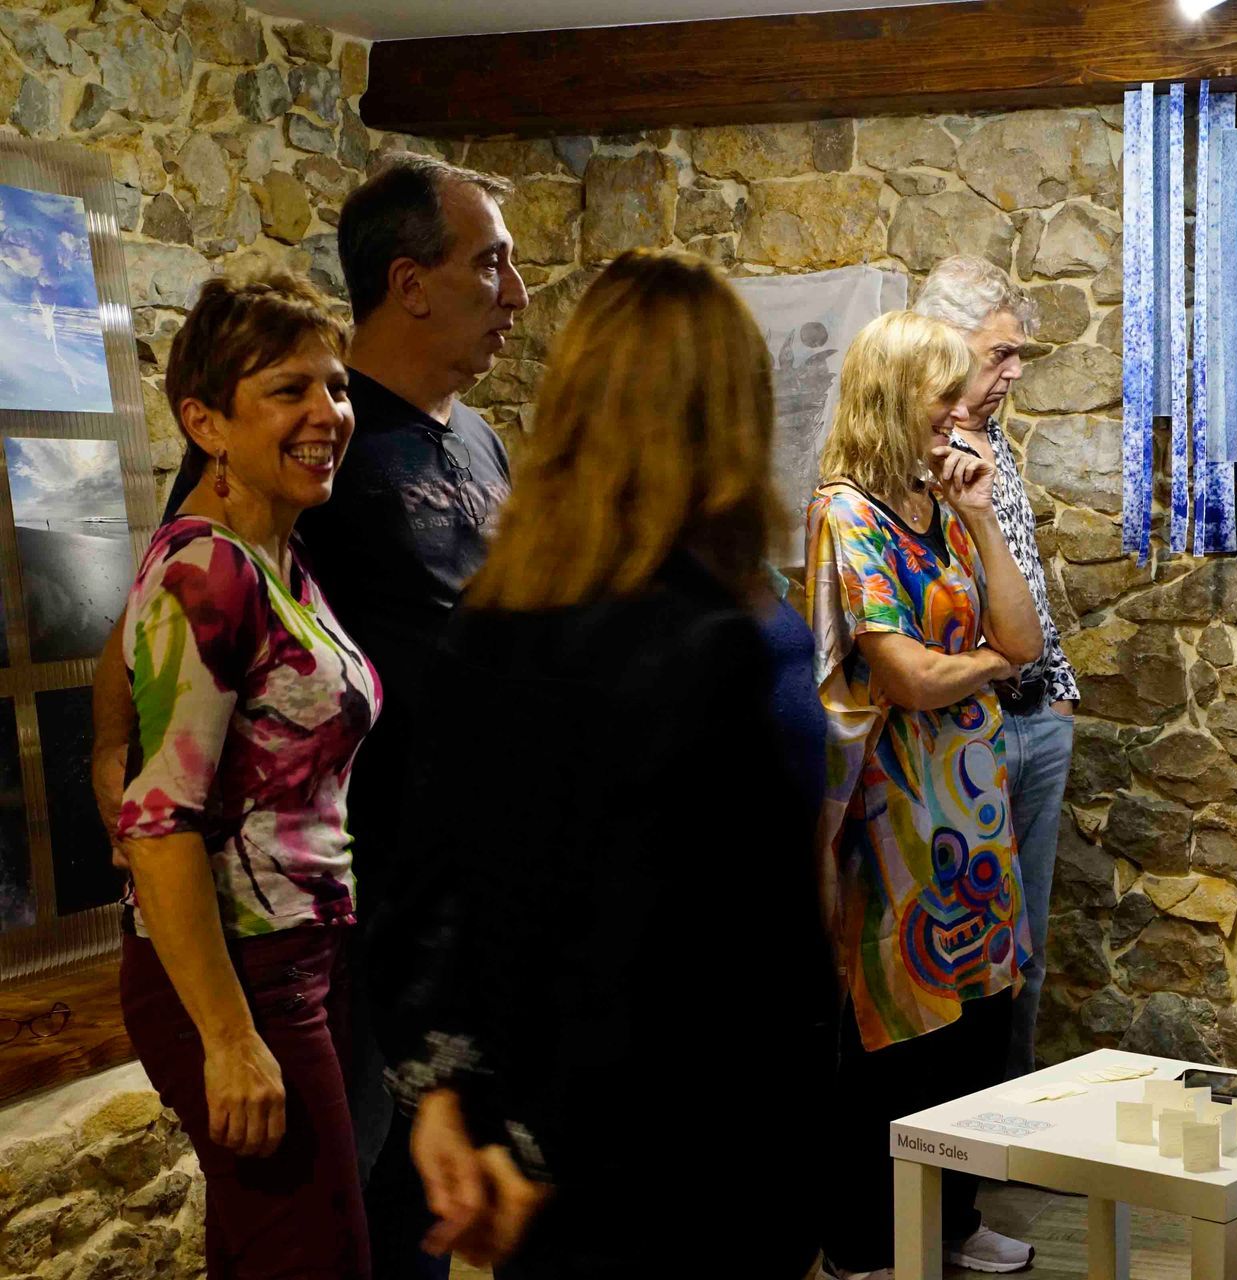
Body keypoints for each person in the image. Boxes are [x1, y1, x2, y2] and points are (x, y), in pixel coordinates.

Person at [93, 150, 525, 1280]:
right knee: (331, 1242)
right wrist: (220, 1017)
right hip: (275, 943)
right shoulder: (218, 550)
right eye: (492, 263)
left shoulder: (303, 540)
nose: (327, 413)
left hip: (358, 920)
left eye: (332, 388)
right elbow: (146, 751)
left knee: (325, 1235)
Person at [379, 251, 833, 1278]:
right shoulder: (721, 646)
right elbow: (726, 961)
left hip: (532, 1163)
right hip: (688, 1167)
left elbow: (431, 893)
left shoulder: (486, 623)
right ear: (732, 416)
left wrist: (453, 1101)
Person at [115, 274, 380, 1277]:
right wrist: (228, 1037)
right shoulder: (207, 571)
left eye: (337, 386)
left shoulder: (274, 556)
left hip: (300, 955)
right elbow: (157, 822)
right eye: (288, 390)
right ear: (205, 422)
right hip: (244, 974)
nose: (328, 414)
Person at [809, 311, 1045, 1280]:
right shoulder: (846, 513)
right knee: (897, 1037)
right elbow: (904, 677)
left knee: (978, 1026)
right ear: (890, 397)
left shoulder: (945, 505)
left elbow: (1025, 637)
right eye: (943, 393)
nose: (960, 410)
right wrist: (986, 663)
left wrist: (982, 515)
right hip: (893, 818)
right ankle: (866, 1242)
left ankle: (951, 1221)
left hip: (973, 813)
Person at [912, 257, 1081, 1082]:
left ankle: (1009, 1123)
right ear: (944, 345)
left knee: (1027, 952)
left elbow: (1025, 577)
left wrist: (1058, 692)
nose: (1014, 372)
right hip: (962, 727)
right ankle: (951, 1135)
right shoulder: (910, 453)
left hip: (1038, 718)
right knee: (960, 955)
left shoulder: (996, 441)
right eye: (1000, 354)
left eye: (1018, 355)